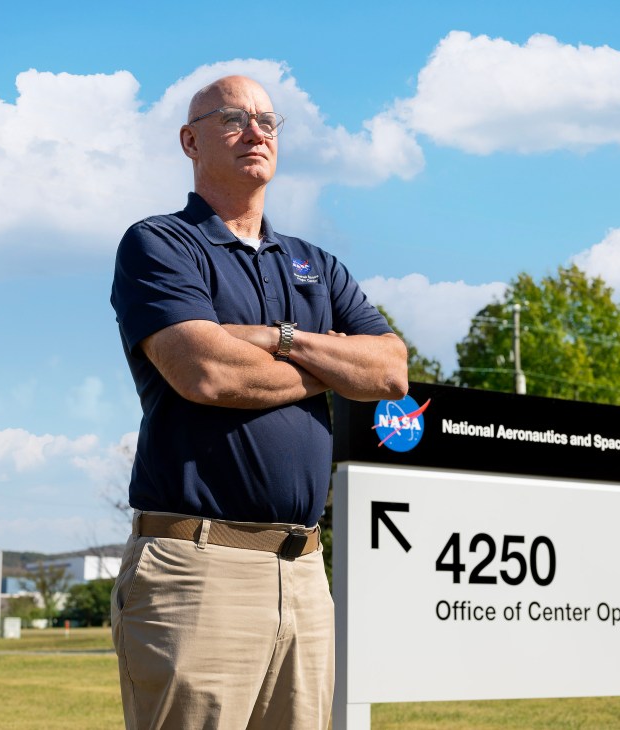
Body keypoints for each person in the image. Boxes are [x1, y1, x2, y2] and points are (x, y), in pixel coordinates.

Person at [109, 74, 408, 729]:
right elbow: (207, 371)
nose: (257, 133)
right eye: (234, 119)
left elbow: (390, 371)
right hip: (198, 569)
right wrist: (330, 361)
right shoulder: (159, 244)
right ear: (190, 141)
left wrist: (278, 339)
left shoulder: (316, 264)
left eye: (269, 122)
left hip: (303, 572)